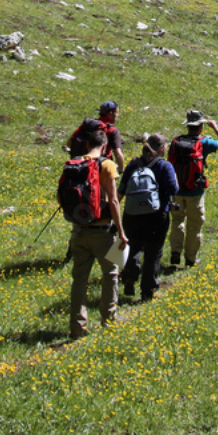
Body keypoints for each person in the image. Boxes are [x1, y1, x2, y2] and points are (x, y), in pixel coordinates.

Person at [67, 128, 127, 339]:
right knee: (110, 274)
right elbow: (113, 200)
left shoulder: (74, 164)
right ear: (105, 146)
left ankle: (77, 327)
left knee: (79, 279)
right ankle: (108, 319)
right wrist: (121, 232)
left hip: (78, 230)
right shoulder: (107, 164)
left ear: (86, 145)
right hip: (102, 230)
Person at [117, 134, 178, 301]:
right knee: (153, 252)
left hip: (132, 214)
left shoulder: (133, 164)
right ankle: (147, 291)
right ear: (160, 149)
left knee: (133, 246)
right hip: (157, 216)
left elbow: (122, 188)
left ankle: (129, 276)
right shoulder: (164, 166)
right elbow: (174, 189)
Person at [168, 110, 218, 268]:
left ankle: (175, 251)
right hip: (195, 191)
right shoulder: (203, 143)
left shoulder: (175, 142)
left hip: (176, 190)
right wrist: (216, 128)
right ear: (200, 126)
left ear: (187, 125)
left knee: (177, 220)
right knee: (194, 225)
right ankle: (190, 259)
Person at [97, 100, 125, 171]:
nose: (117, 115)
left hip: (86, 163)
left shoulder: (91, 124)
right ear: (110, 114)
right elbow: (118, 155)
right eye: (116, 113)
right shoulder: (112, 130)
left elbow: (70, 143)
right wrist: (121, 171)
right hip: (103, 166)